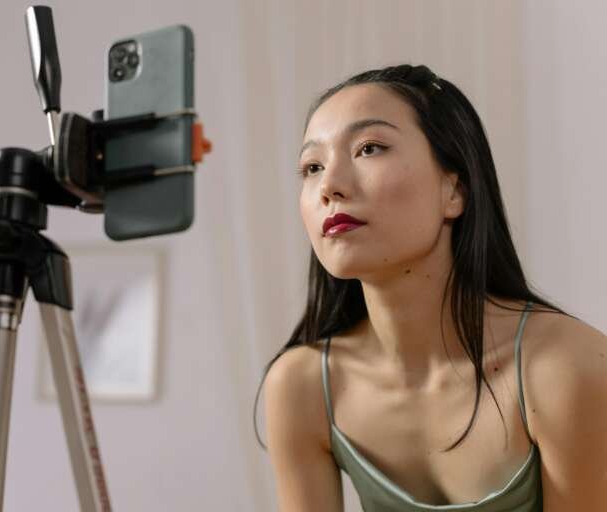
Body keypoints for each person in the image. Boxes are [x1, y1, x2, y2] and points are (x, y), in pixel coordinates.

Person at [253, 64, 607, 511]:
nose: (330, 187)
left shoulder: (566, 368)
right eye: (312, 166)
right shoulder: (302, 387)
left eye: (369, 148)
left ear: (454, 190)